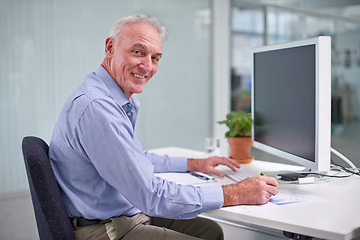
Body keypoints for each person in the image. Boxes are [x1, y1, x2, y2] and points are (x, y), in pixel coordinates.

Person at [49, 14, 278, 240]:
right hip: (105, 229)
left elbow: (133, 159)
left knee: (212, 231)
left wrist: (196, 164)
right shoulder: (97, 108)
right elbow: (151, 195)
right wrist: (236, 193)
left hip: (125, 214)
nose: (147, 66)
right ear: (110, 47)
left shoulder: (114, 98)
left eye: (155, 57)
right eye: (138, 52)